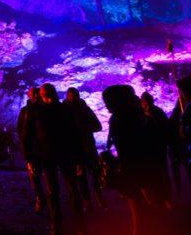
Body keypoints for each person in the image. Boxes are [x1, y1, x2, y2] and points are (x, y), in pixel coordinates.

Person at [25, 83, 84, 235]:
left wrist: (79, 158)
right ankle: (56, 223)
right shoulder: (34, 110)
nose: (50, 100)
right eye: (46, 97)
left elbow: (74, 133)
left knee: (72, 187)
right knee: (52, 190)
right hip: (47, 155)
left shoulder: (64, 109)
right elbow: (28, 136)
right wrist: (30, 158)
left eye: (51, 96)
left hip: (65, 153)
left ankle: (79, 222)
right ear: (42, 96)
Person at [103, 84, 151, 234]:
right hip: (141, 164)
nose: (106, 105)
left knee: (138, 202)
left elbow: (123, 145)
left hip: (132, 166)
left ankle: (142, 230)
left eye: (108, 101)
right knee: (141, 202)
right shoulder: (138, 114)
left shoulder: (119, 118)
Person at [64, 87, 105, 208]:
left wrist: (81, 128)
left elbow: (97, 126)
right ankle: (87, 199)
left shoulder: (83, 109)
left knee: (93, 172)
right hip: (76, 147)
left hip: (86, 145)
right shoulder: (65, 110)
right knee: (81, 174)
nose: (73, 98)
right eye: (72, 96)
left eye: (74, 95)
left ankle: (96, 195)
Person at [139, 91, 173, 208]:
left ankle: (166, 198)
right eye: (144, 103)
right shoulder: (142, 114)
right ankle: (159, 198)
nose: (146, 105)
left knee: (162, 173)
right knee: (155, 174)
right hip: (149, 148)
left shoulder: (156, 112)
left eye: (147, 103)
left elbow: (164, 128)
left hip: (158, 147)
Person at [17, 86, 46, 213]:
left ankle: (46, 198)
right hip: (34, 149)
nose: (35, 96)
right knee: (35, 176)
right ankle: (40, 197)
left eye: (36, 93)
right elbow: (20, 129)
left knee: (43, 175)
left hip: (44, 148)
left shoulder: (45, 109)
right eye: (32, 93)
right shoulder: (25, 111)